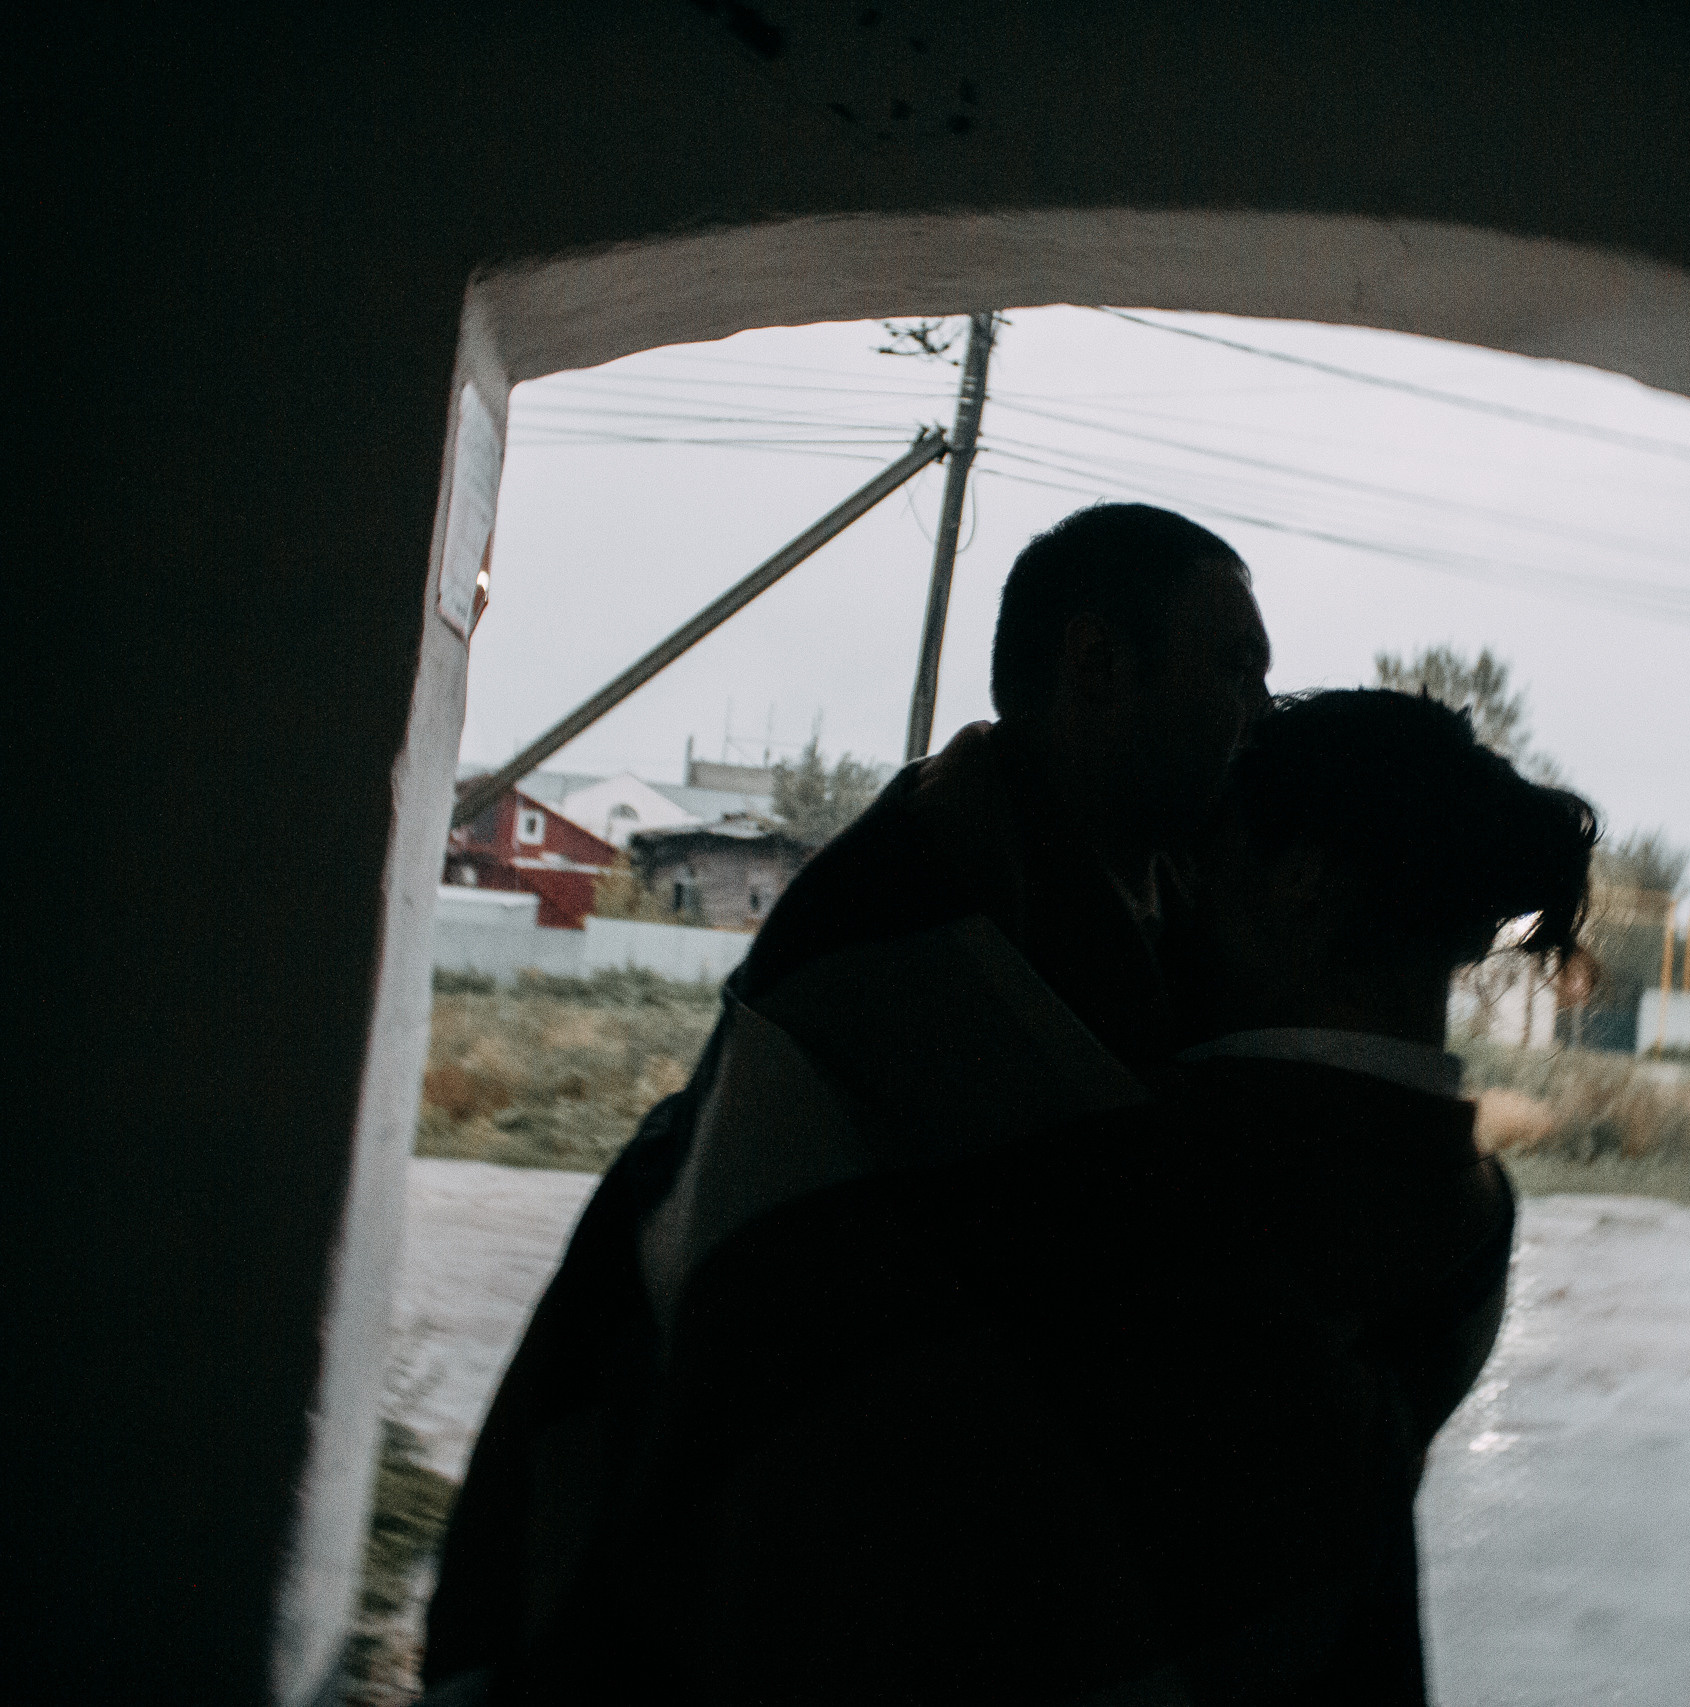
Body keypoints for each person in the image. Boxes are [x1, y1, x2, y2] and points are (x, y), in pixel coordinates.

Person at [422, 504, 1271, 1702]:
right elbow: (1115, 1244)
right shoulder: (911, 898)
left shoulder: (1160, 895)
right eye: (1234, 668)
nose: (1259, 714)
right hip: (791, 1551)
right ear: (1096, 664)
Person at [608, 690, 1598, 1705]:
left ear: (1299, 882)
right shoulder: (1470, 1203)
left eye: (1202, 857)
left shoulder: (1146, 1166)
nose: (1170, 895)